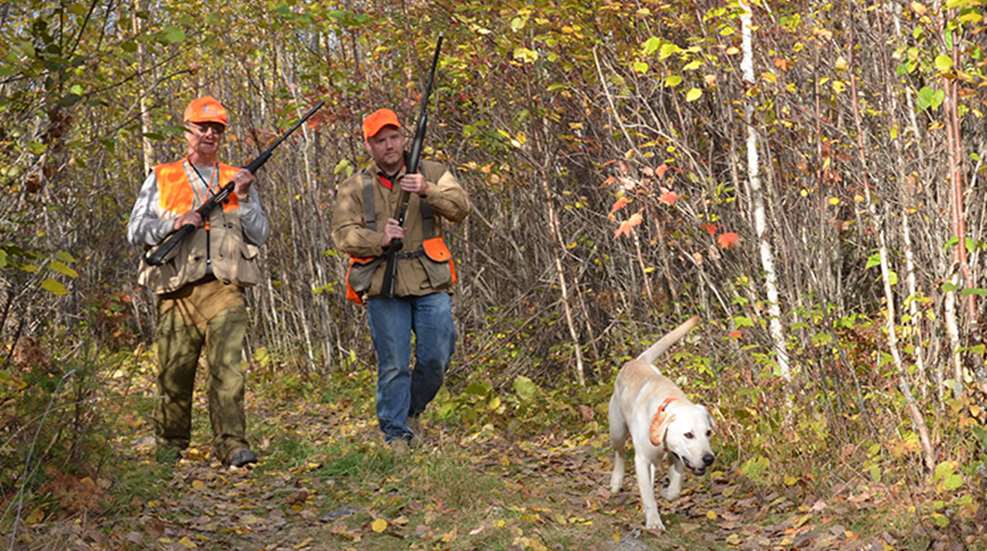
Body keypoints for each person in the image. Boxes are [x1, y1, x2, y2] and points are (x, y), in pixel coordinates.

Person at [127, 96, 269, 467]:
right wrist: (172, 224)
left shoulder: (237, 178)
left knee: (228, 370)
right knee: (175, 371)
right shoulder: (162, 175)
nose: (210, 133)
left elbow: (260, 233)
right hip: (178, 289)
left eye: (217, 128)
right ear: (186, 130)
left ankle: (233, 444)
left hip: (225, 286)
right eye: (203, 127)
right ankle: (171, 444)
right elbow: (136, 230)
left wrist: (246, 196)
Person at [331, 108, 469, 448]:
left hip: (428, 280)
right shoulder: (354, 187)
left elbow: (461, 208)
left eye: (394, 137)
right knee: (393, 364)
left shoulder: (432, 172)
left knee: (436, 356)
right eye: (380, 140)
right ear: (369, 146)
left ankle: (409, 412)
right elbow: (342, 235)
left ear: (404, 138)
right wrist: (378, 238)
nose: (389, 145)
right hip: (383, 284)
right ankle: (395, 434)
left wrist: (427, 190)